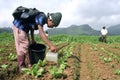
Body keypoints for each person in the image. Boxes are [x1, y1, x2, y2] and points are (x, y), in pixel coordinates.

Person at [12, 7, 62, 72]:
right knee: (24, 45)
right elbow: (41, 33)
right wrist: (51, 45)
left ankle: (29, 64)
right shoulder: (42, 17)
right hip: (19, 27)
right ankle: (21, 66)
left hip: (24, 29)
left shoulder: (41, 19)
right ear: (50, 20)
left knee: (27, 45)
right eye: (53, 25)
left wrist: (32, 39)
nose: (53, 27)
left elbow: (32, 28)